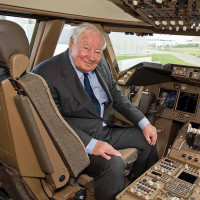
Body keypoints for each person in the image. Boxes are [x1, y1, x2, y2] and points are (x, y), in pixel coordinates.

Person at [33, 23, 158, 200]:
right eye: (86, 48)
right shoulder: (46, 73)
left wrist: (144, 123)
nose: (92, 57)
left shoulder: (103, 66)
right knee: (113, 163)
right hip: (75, 140)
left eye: (98, 51)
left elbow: (118, 98)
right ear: (71, 43)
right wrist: (92, 145)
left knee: (148, 139)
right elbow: (53, 122)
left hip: (103, 130)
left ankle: (138, 189)